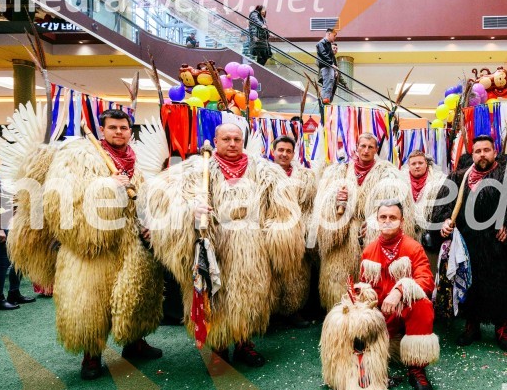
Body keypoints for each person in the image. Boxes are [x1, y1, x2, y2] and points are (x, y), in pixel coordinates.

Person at [7, 109, 165, 380]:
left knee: (137, 297)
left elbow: (141, 201)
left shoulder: (134, 162)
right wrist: (108, 185)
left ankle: (135, 342)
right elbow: (62, 201)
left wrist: (148, 223)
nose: (119, 132)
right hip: (90, 249)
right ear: (102, 130)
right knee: (92, 303)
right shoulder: (79, 158)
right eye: (113, 127)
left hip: (129, 245)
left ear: (130, 131)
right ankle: (92, 356)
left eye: (124, 128)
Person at [145, 123, 303, 368]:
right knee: (214, 298)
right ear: (215, 141)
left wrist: (275, 238)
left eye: (237, 139)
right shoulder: (195, 169)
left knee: (250, 296)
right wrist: (189, 211)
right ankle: (218, 349)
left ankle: (244, 344)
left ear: (243, 141)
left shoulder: (265, 171)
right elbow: (162, 198)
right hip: (212, 245)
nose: (232, 144)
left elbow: (284, 210)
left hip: (252, 248)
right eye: (226, 139)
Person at [432, 136, 507, 352]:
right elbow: (441, 208)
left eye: (486, 150)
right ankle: (471, 326)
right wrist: (445, 221)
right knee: (469, 285)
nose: (482, 154)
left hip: (500, 247)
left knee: (502, 287)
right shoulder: (457, 178)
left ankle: (502, 329)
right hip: (467, 245)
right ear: (472, 154)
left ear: (495, 152)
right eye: (477, 151)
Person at [311, 132, 416, 310]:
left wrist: (376, 223)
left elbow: (396, 205)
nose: (366, 150)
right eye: (363, 146)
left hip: (372, 239)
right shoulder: (338, 172)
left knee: (370, 280)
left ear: (376, 150)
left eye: (370, 147)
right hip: (342, 239)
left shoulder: (388, 174)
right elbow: (321, 205)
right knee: (338, 281)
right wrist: (336, 201)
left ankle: (370, 319)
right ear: (356, 148)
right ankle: (340, 319)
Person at [357, 200, 439, 390]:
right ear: (377, 221)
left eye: (392, 217)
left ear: (401, 221)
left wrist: (400, 289)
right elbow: (364, 288)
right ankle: (366, 364)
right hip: (381, 318)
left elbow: (426, 281)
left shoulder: (413, 248)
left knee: (422, 305)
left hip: (405, 315)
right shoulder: (369, 251)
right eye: (383, 217)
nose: (387, 221)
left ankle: (416, 369)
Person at [269, 136, 317, 327]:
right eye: (281, 150)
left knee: (298, 274)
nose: (284, 154)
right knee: (271, 273)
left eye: (288, 151)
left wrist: (306, 230)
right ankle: (271, 313)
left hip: (298, 231)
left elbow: (310, 206)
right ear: (273, 151)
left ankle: (293, 310)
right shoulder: (264, 174)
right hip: (272, 231)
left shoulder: (306, 177)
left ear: (293, 153)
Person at [0, 171, 32, 311]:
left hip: (16, 226)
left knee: (20, 260)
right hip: (3, 226)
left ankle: (14, 293)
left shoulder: (22, 180)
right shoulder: (5, 181)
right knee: (3, 262)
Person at [316, 28, 338, 104]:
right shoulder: (321, 43)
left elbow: (330, 56)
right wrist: (332, 64)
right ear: (329, 34)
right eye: (334, 35)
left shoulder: (328, 44)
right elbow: (323, 55)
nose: (335, 37)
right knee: (327, 83)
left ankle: (326, 99)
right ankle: (324, 100)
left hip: (329, 66)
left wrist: (334, 69)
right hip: (326, 66)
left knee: (330, 82)